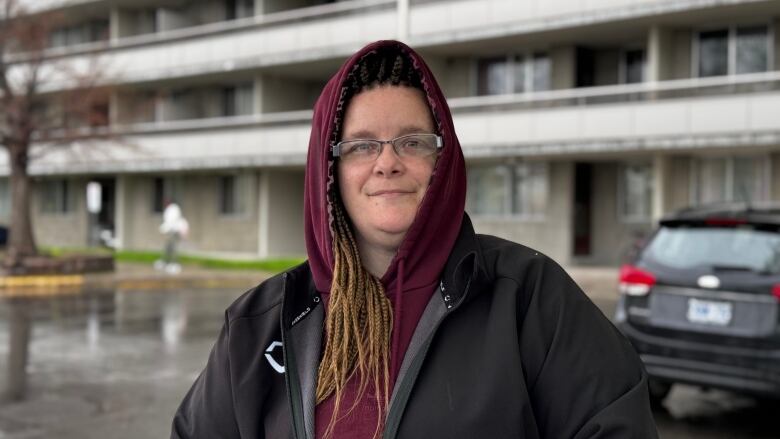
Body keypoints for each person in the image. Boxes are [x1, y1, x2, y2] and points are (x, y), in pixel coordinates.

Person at [171, 40, 658, 438]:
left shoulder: (525, 298)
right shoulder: (262, 323)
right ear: (330, 170)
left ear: (442, 161)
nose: (387, 162)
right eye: (362, 145)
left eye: (413, 142)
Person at [156, 199, 189, 275]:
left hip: (174, 231)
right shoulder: (170, 209)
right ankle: (166, 262)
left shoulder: (174, 209)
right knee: (168, 247)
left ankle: (175, 264)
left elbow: (172, 221)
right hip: (171, 231)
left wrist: (166, 229)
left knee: (173, 248)